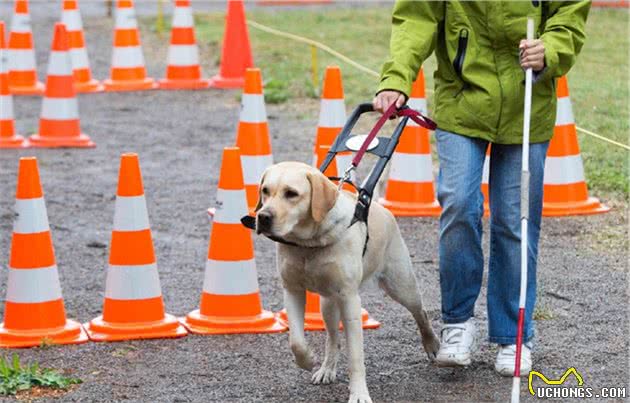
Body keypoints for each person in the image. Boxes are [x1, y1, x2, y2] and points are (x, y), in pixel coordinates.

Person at [373, 1, 590, 375]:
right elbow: (416, 17)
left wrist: (549, 50)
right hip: (462, 102)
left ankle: (514, 336)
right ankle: (457, 324)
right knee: (458, 203)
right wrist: (396, 78)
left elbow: (569, 16)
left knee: (514, 221)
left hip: (528, 104)